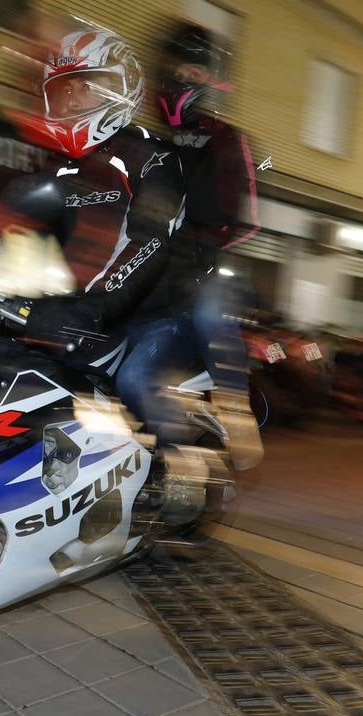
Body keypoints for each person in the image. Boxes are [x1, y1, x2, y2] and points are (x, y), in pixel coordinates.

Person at [139, 22, 263, 469]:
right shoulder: (148, 140)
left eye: (194, 71)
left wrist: (205, 248)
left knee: (211, 309)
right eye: (178, 68)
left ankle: (235, 407)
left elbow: (247, 220)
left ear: (208, 78)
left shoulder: (228, 139)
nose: (183, 78)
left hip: (206, 269)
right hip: (154, 268)